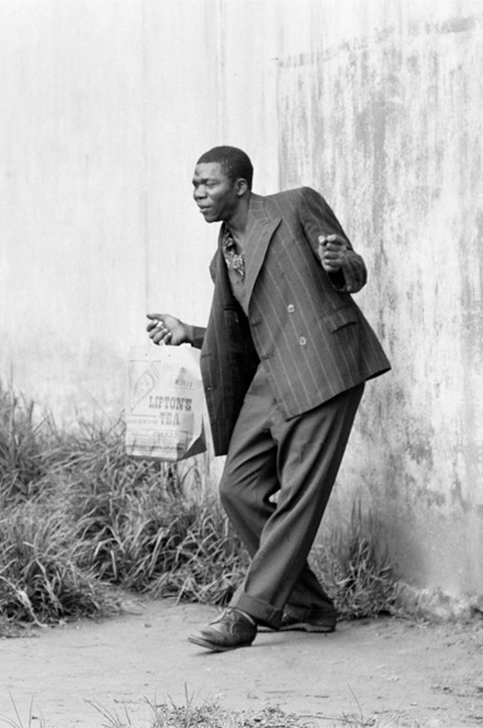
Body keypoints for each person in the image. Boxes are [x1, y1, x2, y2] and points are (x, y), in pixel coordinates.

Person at [143, 145, 392, 651]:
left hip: (325, 364)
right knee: (238, 488)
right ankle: (308, 606)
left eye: (207, 184)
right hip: (271, 375)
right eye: (193, 185)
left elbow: (354, 274)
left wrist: (342, 262)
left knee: (299, 493)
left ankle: (248, 613)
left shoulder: (294, 205)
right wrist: (188, 331)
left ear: (238, 186)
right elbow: (238, 328)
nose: (198, 195)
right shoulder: (222, 257)